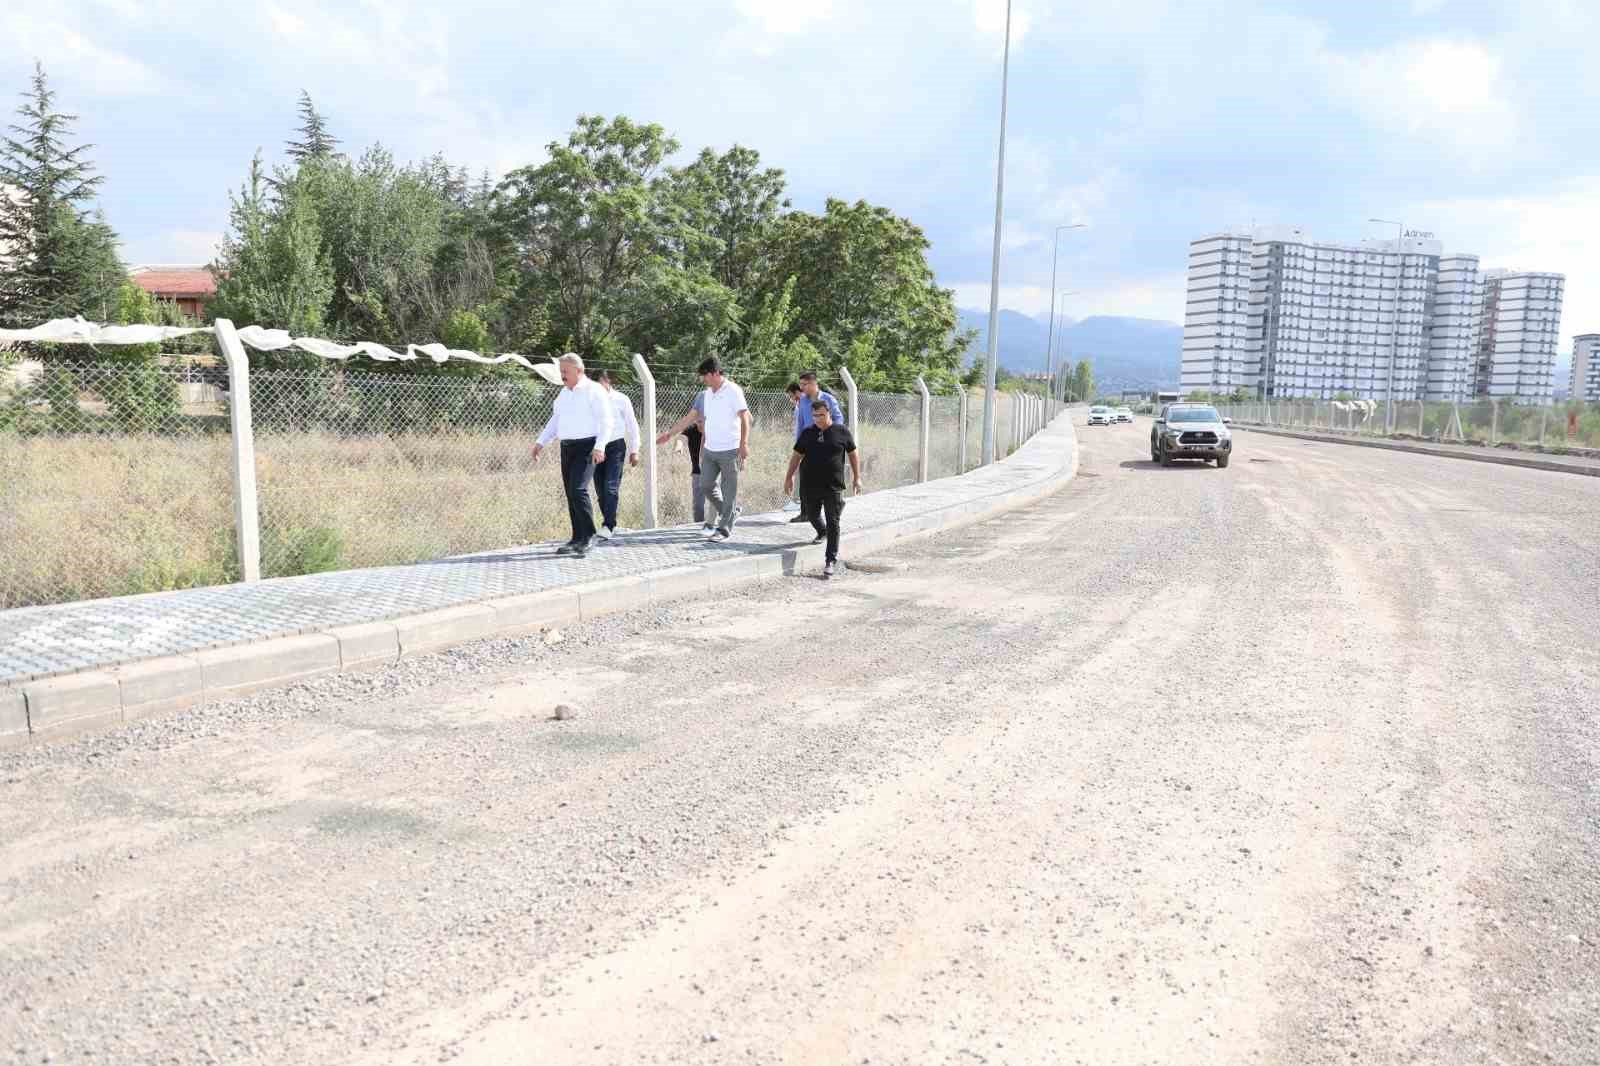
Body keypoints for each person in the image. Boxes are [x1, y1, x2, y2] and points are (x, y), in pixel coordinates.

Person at [657, 357, 749, 543]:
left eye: (704, 375)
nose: (702, 379)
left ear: (715, 373)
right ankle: (730, 513)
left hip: (730, 449)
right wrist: (670, 433)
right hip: (709, 450)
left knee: (728, 489)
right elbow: (689, 418)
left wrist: (744, 444)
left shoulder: (733, 390)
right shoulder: (705, 395)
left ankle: (723, 529)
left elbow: (745, 417)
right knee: (705, 485)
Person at [531, 353, 613, 558]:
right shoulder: (564, 394)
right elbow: (555, 421)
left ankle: (589, 536)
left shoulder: (594, 390)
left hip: (587, 447)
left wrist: (600, 446)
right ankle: (577, 537)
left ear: (579, 371)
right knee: (570, 492)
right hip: (567, 448)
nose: (562, 375)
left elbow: (606, 421)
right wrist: (541, 442)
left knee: (578, 489)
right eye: (561, 371)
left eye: (565, 371)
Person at [784, 399, 861, 579]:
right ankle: (822, 530)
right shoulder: (808, 433)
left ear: (829, 413)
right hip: (810, 484)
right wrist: (789, 477)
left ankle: (830, 561)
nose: (818, 419)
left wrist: (857, 478)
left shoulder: (841, 432)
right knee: (811, 514)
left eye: (821, 415)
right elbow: (796, 456)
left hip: (833, 486)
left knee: (833, 522)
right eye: (814, 415)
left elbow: (853, 454)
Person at [592, 369, 641, 542]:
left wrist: (635, 450)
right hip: (597, 447)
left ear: (607, 381)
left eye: (600, 383)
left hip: (616, 447)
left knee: (610, 486)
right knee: (600, 488)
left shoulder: (621, 399)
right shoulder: (591, 400)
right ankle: (609, 522)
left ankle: (609, 525)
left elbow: (632, 425)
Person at [792, 371, 847, 524]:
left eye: (804, 384)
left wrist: (832, 438)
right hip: (808, 445)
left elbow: (838, 419)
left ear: (814, 384)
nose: (801, 388)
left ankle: (837, 503)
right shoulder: (802, 401)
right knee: (804, 477)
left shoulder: (828, 399)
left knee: (828, 477)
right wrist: (798, 445)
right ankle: (805, 513)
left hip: (826, 445)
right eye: (800, 384)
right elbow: (800, 423)